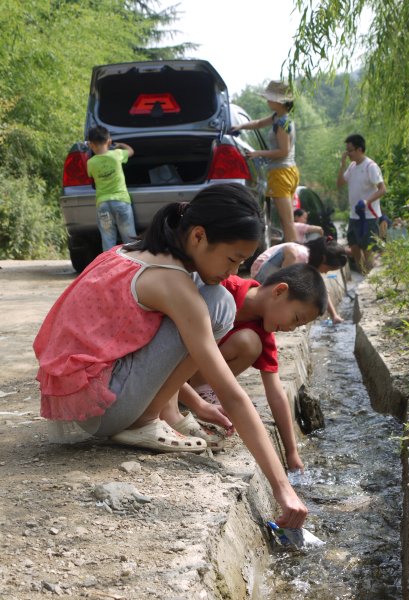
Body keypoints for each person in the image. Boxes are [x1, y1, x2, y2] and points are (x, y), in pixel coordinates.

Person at [33, 183, 308, 528]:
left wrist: (199, 405)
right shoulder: (173, 283)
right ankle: (144, 420)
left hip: (90, 394)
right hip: (105, 408)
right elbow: (233, 394)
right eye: (232, 259)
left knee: (216, 300)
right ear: (198, 236)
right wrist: (283, 488)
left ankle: (163, 411)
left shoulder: (135, 251)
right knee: (219, 304)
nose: (233, 273)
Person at [188, 264, 328, 471]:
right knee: (247, 342)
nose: (290, 329)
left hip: (190, 376)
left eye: (297, 327)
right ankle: (193, 396)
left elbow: (276, 393)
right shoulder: (222, 288)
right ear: (280, 291)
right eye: (296, 319)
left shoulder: (262, 333)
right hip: (169, 365)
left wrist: (291, 452)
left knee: (250, 343)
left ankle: (202, 389)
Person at [231, 80, 299, 243]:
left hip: (281, 173)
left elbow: (283, 151)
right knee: (287, 221)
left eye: (270, 98)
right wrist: (240, 127)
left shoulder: (282, 123)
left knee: (287, 222)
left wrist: (257, 153)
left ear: (279, 101)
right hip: (288, 171)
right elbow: (259, 123)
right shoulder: (280, 117)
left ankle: (295, 260)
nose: (268, 101)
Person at [250, 237, 348, 324]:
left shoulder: (309, 257)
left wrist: (334, 316)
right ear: (323, 259)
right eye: (329, 269)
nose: (326, 272)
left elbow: (322, 291)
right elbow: (289, 251)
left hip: (267, 274)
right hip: (260, 274)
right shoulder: (302, 256)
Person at [337, 134, 386, 272]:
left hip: (369, 215)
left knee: (368, 249)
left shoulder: (371, 166)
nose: (348, 154)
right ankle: (363, 274)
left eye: (350, 150)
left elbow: (382, 189)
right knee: (354, 246)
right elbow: (340, 183)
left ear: (359, 149)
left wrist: (367, 201)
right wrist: (342, 165)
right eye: (346, 150)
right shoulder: (352, 166)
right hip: (354, 216)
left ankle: (370, 280)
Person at [87, 125, 137, 251]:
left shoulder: (90, 163)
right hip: (121, 202)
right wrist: (121, 145)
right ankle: (134, 266)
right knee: (129, 239)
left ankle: (109, 267)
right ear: (109, 141)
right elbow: (131, 151)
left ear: (90, 145)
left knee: (108, 239)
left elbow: (91, 176)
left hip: (103, 204)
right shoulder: (117, 154)